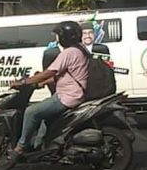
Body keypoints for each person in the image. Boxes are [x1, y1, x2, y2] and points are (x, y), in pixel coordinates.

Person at [10, 21, 89, 157]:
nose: (57, 38)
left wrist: (24, 82)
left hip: (67, 97)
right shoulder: (81, 49)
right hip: (75, 94)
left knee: (31, 112)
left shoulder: (69, 52)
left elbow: (49, 72)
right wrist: (40, 84)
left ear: (65, 37)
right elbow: (63, 74)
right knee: (43, 114)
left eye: (59, 35)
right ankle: (40, 145)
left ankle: (21, 147)